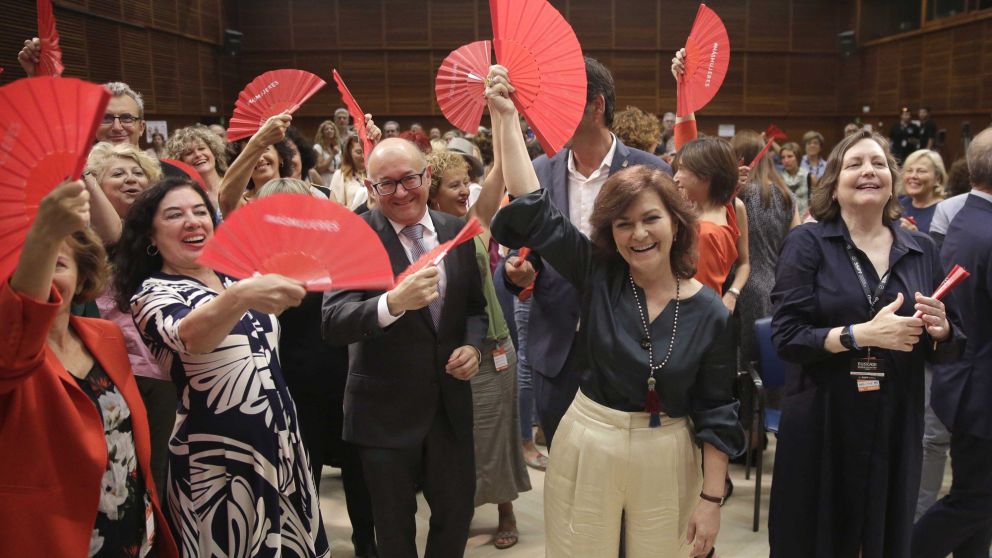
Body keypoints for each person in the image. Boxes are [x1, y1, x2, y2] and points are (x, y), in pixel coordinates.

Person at [486, 65, 745, 558]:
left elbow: (718, 410)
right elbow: (535, 205)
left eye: (651, 219)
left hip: (668, 451)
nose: (639, 234)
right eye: (623, 225)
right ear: (610, 233)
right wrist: (505, 118)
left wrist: (711, 499)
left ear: (677, 223)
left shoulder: (711, 314)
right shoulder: (597, 275)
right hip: (589, 443)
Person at [768, 129, 963, 557]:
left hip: (895, 418)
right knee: (813, 538)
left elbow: (949, 347)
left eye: (878, 163)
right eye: (854, 164)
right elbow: (786, 338)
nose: (868, 171)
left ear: (891, 179)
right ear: (833, 184)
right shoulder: (808, 242)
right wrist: (860, 335)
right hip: (823, 416)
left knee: (884, 538)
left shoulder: (922, 249)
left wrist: (942, 328)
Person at [112, 177, 329, 557]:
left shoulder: (234, 274)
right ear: (150, 234)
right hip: (218, 455)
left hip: (280, 437)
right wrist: (242, 294)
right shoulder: (152, 292)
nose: (192, 221)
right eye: (175, 215)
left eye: (199, 211)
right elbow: (192, 337)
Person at [321, 138, 488, 558]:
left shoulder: (456, 231)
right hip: (383, 413)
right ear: (369, 187)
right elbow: (333, 322)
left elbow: (474, 309)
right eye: (387, 184)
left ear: (427, 176)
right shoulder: (352, 238)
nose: (401, 193)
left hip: (449, 409)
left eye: (410, 179)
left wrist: (473, 348)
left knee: (455, 518)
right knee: (393, 532)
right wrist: (392, 303)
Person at [497, 56, 671, 447]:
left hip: (630, 341)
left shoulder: (650, 170)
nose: (547, 111)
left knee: (624, 472)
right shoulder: (538, 171)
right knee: (564, 473)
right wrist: (517, 271)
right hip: (557, 345)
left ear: (596, 106)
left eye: (561, 99)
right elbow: (518, 252)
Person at [0, 180, 177, 557]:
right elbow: (17, 344)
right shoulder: (10, 355)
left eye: (57, 261)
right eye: (29, 261)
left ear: (83, 276)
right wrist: (44, 236)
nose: (41, 273)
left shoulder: (106, 336)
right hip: (55, 540)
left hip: (131, 532)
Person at [254, 178, 378, 557]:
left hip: (346, 378)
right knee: (304, 475)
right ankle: (307, 544)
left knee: (359, 472)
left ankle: (365, 545)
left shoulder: (335, 252)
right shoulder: (258, 265)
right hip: (292, 386)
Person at [426, 146, 530, 550]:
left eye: (466, 182)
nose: (464, 190)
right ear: (433, 194)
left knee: (497, 432)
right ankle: (462, 507)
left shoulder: (472, 226)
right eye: (454, 185)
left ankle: (506, 509)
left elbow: (501, 173)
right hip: (452, 353)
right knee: (459, 437)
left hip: (493, 347)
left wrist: (500, 111)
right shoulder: (425, 236)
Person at [912, 127, 992, 558]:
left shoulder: (964, 217)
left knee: (976, 500)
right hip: (980, 390)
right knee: (975, 502)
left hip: (964, 381)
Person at [730, 130, 799, 370]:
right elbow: (795, 247)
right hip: (776, 286)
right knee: (767, 364)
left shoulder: (735, 197)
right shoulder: (787, 195)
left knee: (742, 364)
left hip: (738, 287)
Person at [218, 112, 294, 216]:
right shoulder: (241, 205)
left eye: (265, 149)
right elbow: (225, 199)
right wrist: (259, 142)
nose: (259, 159)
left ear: (280, 156)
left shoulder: (306, 193)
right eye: (253, 155)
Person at [166, 124, 229, 211]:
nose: (198, 155)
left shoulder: (234, 182)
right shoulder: (182, 196)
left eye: (201, 148)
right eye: (189, 153)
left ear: (214, 152)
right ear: (181, 162)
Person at [898, 149, 946, 234]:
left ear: (937, 179)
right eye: (909, 170)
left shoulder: (944, 211)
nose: (913, 176)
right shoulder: (897, 204)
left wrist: (916, 236)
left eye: (921, 171)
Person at [329, 134, 369, 209]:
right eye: (359, 152)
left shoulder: (373, 175)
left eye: (366, 151)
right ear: (349, 154)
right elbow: (334, 206)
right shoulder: (340, 174)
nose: (364, 156)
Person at [778, 141, 811, 216]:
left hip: (805, 220)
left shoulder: (809, 176)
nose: (786, 160)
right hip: (786, 220)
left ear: (798, 158)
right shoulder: (778, 179)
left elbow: (816, 201)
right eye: (783, 157)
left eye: (790, 156)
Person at [313, 120, 342, 185]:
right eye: (326, 129)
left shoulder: (337, 148)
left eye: (332, 129)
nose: (329, 130)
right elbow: (320, 169)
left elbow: (341, 166)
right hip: (324, 181)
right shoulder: (318, 147)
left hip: (336, 180)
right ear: (322, 133)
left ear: (335, 132)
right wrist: (332, 154)